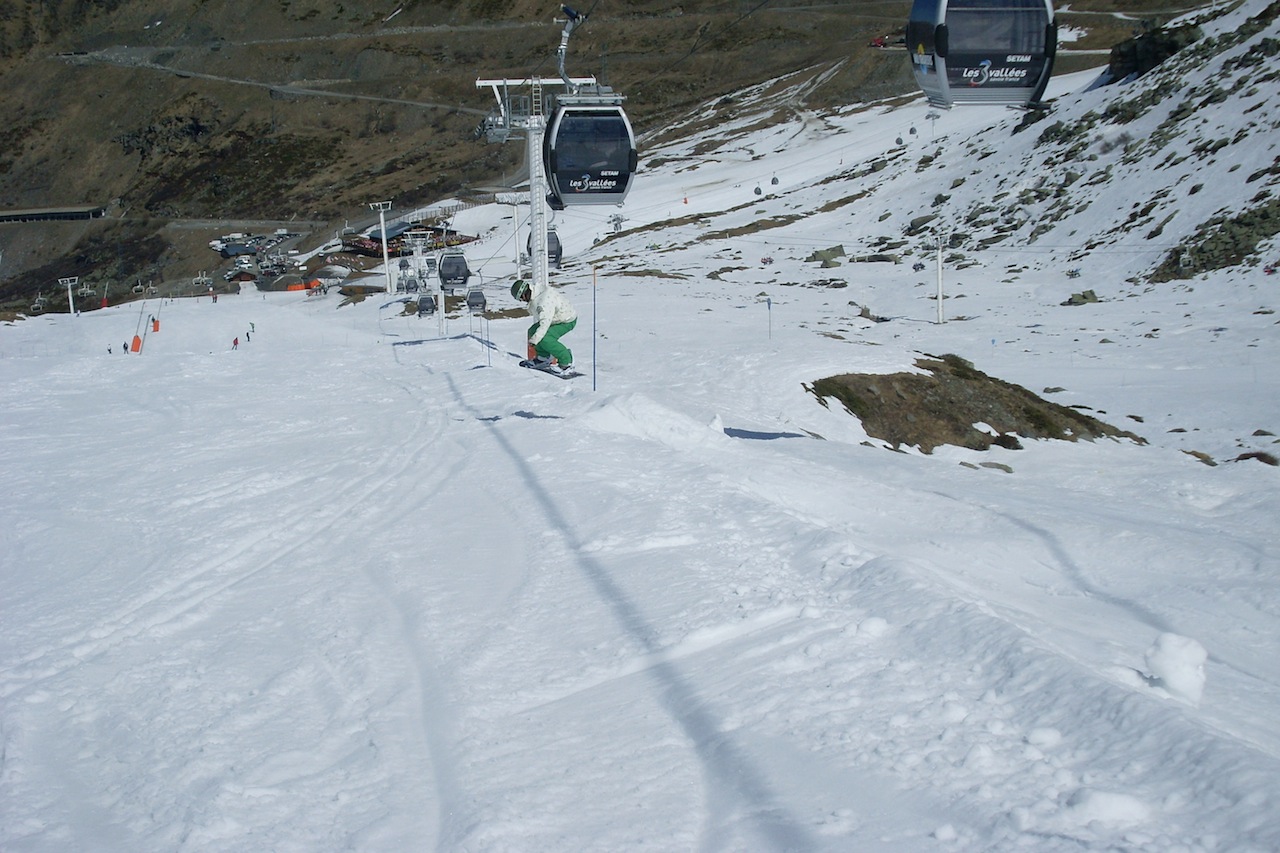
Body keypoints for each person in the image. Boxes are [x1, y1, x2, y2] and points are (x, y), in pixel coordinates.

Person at [511, 279, 576, 373]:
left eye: (521, 299)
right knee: (533, 331)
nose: (522, 301)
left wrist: (534, 340)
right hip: (555, 318)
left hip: (567, 319)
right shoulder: (536, 293)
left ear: (523, 295)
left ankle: (566, 362)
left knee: (545, 338)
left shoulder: (542, 303)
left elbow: (545, 323)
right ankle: (543, 358)